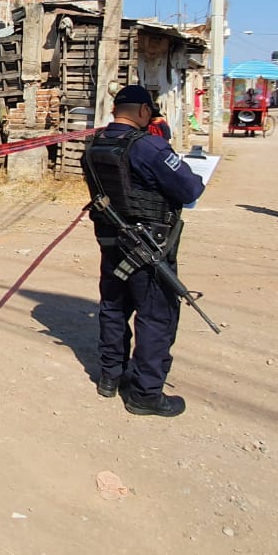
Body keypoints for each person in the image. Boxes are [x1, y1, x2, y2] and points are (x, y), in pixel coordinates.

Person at [82, 85, 206, 419]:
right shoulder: (149, 147)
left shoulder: (93, 145)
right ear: (142, 112)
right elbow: (191, 188)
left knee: (113, 306)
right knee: (156, 316)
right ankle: (146, 394)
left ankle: (110, 376)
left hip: (111, 242)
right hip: (150, 247)